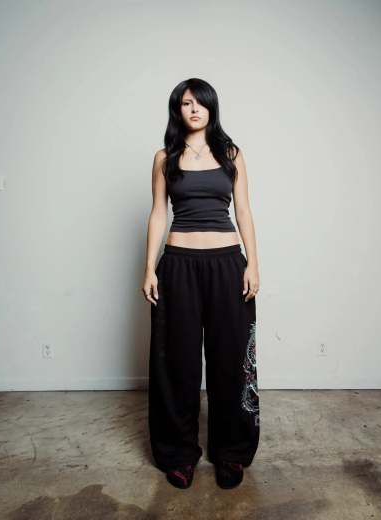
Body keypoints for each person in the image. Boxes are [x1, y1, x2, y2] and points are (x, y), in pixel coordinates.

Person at [141, 78, 260, 489]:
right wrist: (149, 268)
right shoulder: (164, 157)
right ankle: (179, 453)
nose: (194, 109)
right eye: (186, 103)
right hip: (178, 267)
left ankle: (230, 452)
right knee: (178, 363)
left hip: (227, 265)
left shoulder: (231, 154)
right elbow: (159, 213)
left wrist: (253, 264)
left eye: (200, 103)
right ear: (177, 110)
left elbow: (243, 211)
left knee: (230, 359)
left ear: (212, 108)